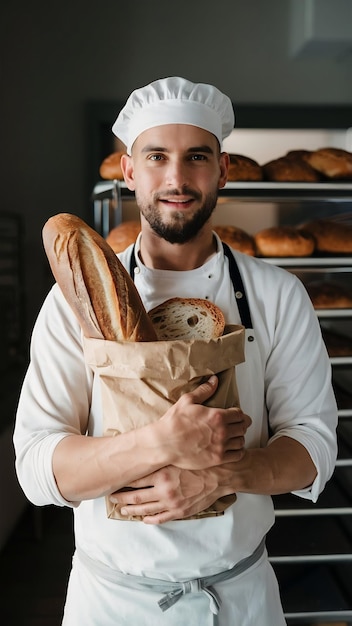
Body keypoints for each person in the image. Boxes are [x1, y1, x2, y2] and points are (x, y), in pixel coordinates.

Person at [14, 76, 338, 625]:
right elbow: (38, 467)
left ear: (224, 169)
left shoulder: (277, 295)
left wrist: (219, 474)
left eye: (197, 157)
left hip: (241, 601)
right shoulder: (73, 303)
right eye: (157, 156)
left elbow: (314, 450)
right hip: (111, 604)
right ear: (129, 171)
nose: (177, 178)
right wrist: (159, 443)